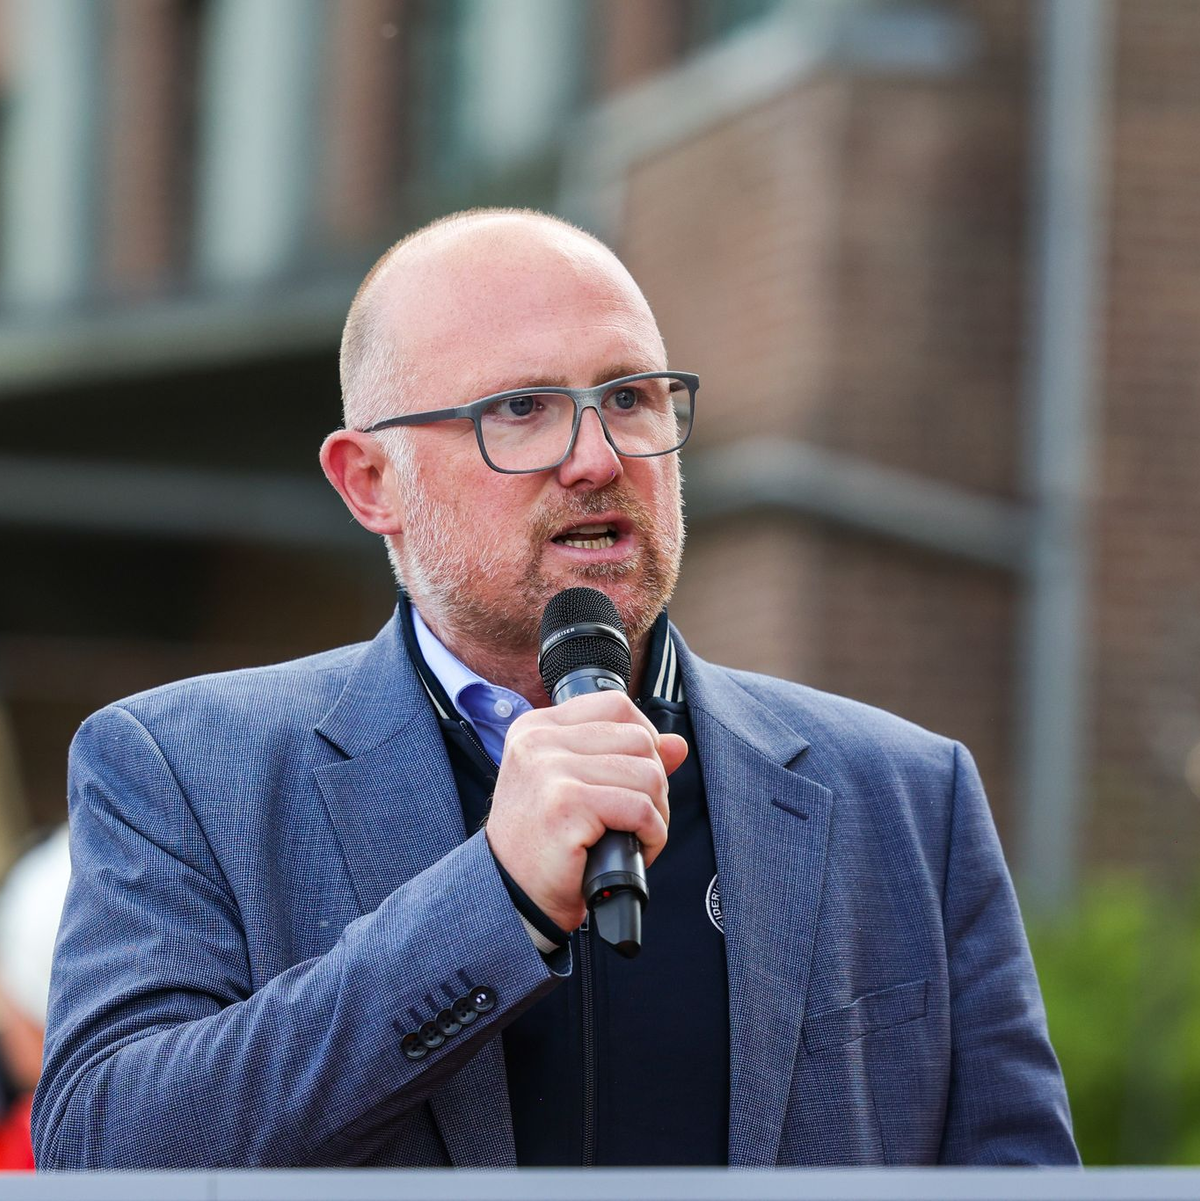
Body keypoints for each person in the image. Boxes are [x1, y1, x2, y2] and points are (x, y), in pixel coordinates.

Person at [33, 209, 1078, 1169]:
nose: (597, 457)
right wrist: (493, 901)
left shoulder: (906, 796)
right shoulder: (185, 771)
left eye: (629, 396)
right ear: (370, 481)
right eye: (521, 409)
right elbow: (104, 1152)